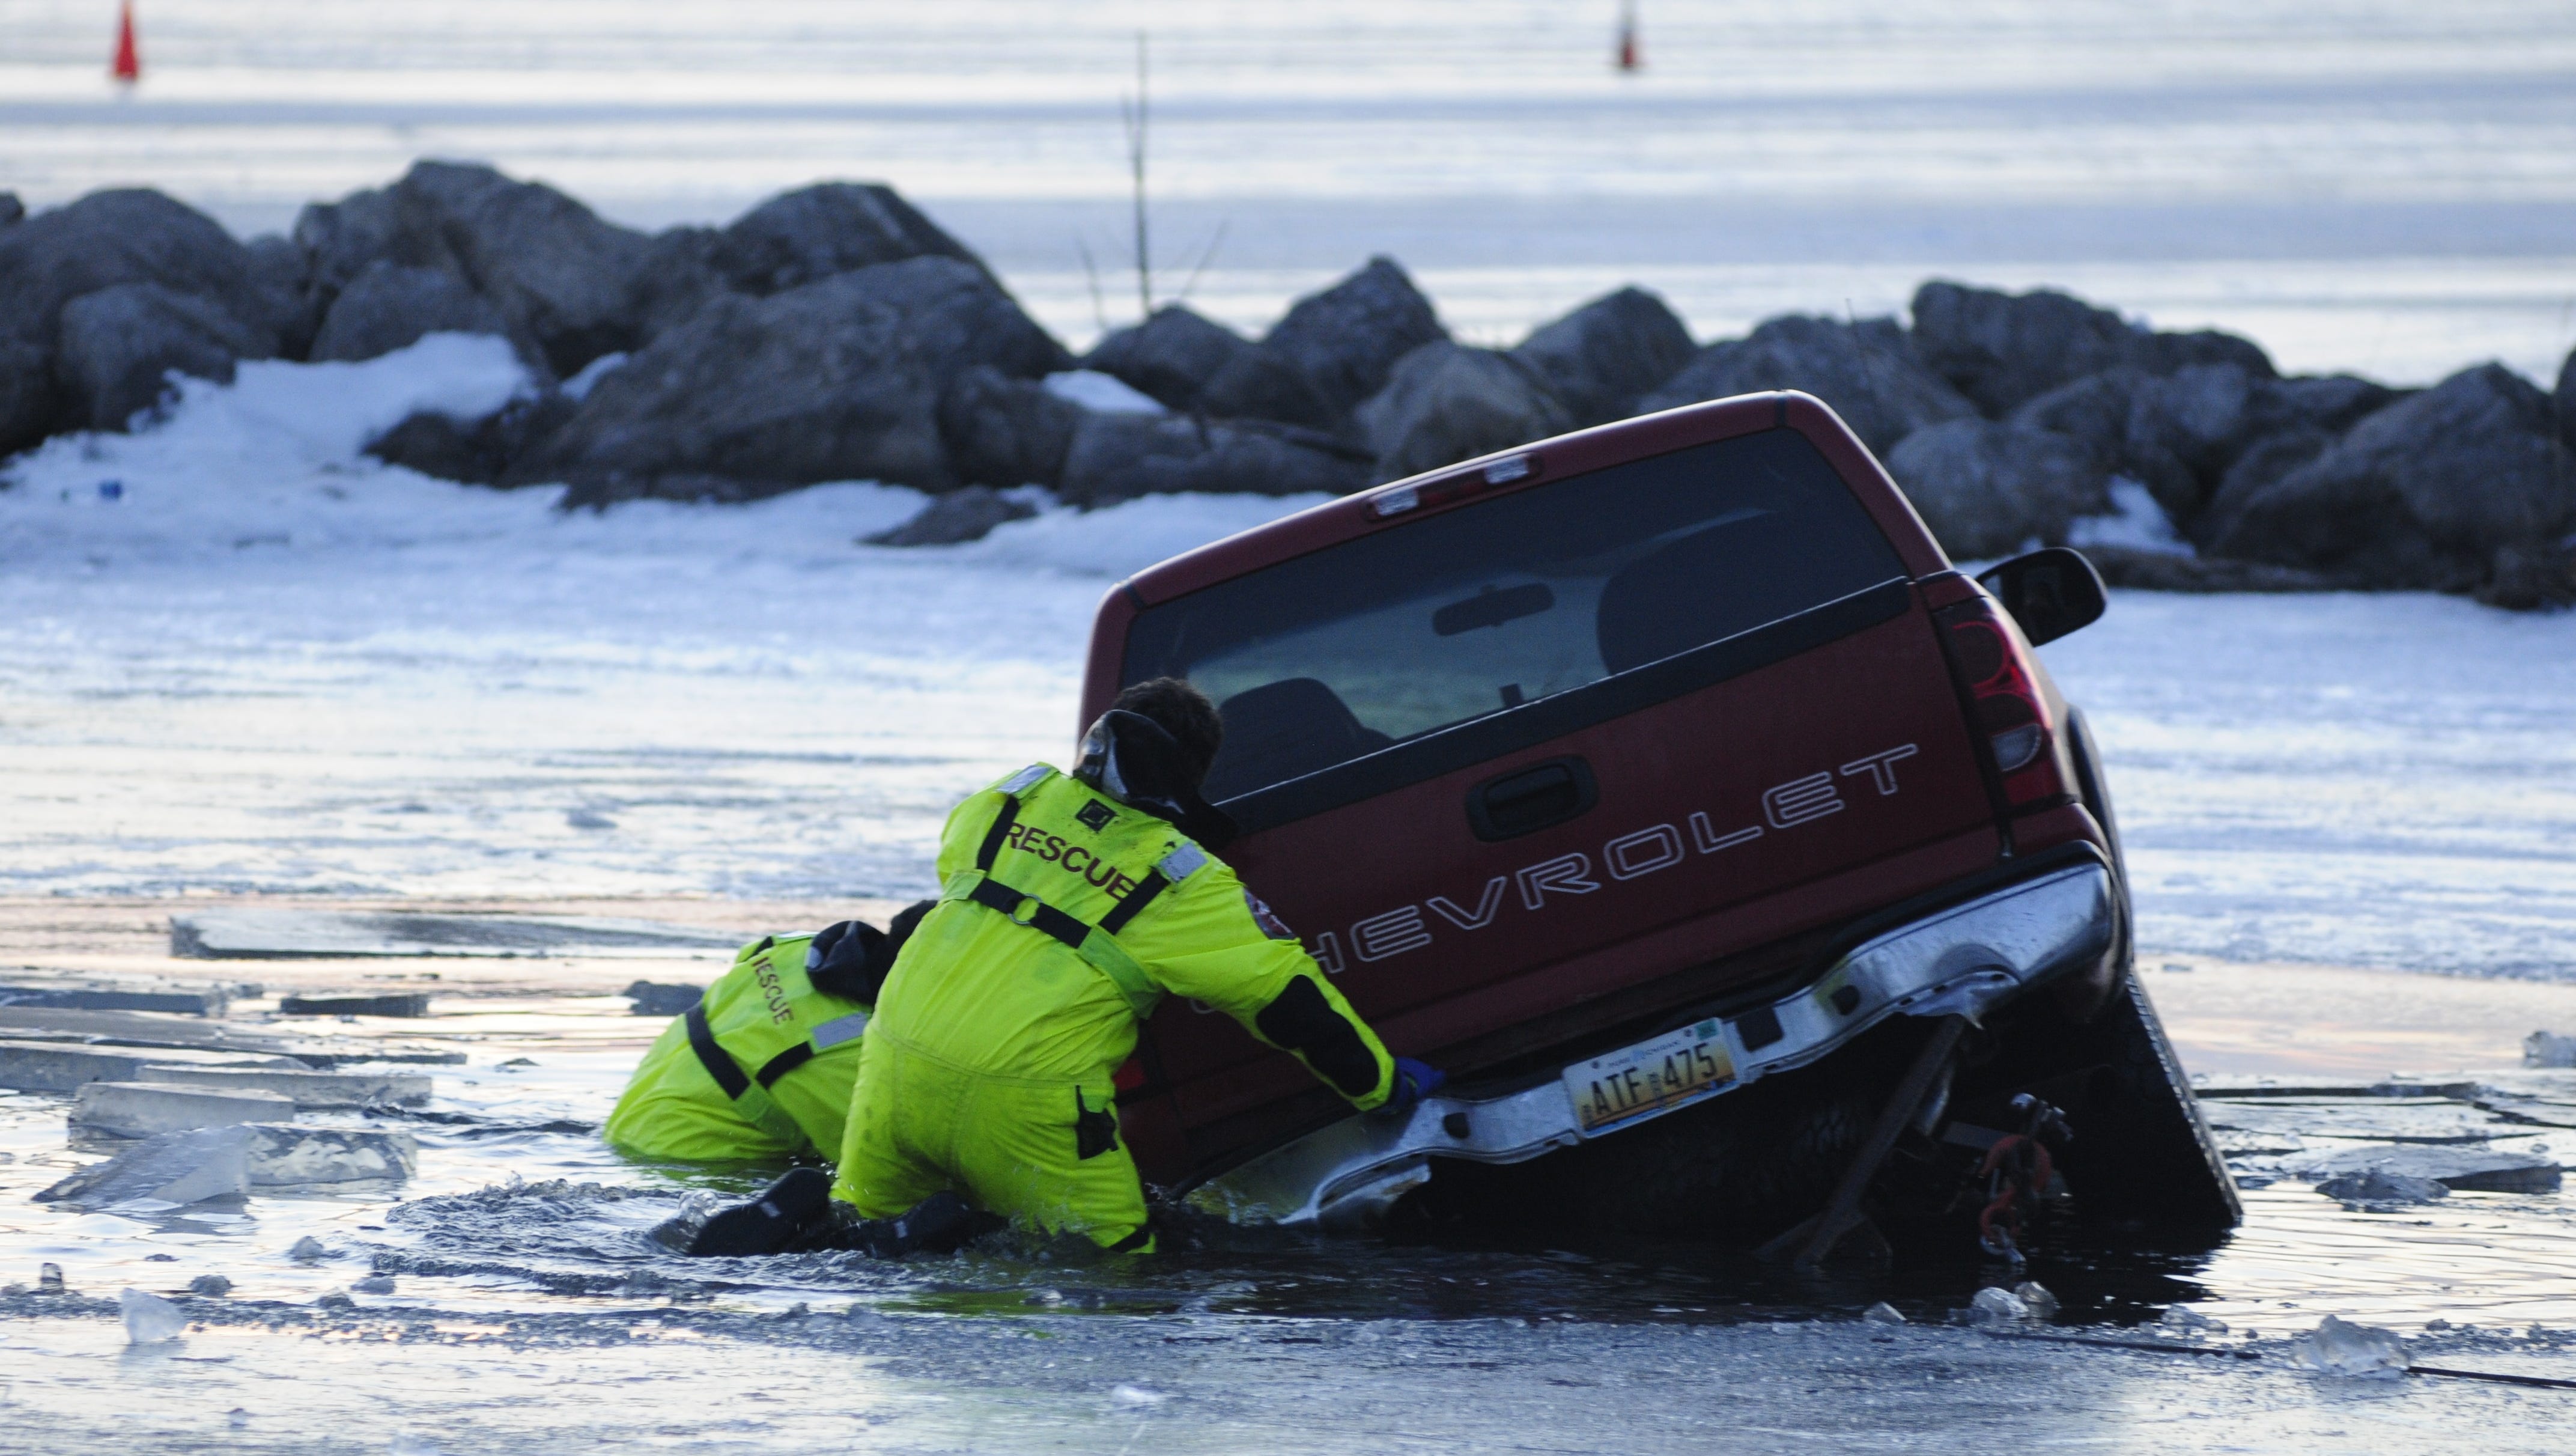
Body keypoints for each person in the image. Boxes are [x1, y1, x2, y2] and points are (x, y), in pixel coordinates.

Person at [685, 678, 1441, 1257]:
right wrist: (1376, 1081)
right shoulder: (1184, 881)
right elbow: (1288, 1002)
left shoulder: (1003, 805)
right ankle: (927, 1239)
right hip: (1028, 1101)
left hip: (891, 1065)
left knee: (859, 1225)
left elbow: (960, 864)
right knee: (1114, 1266)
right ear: (1198, 769)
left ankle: (834, 1232)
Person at [604, 907, 925, 1163]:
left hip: (639, 1108)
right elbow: (885, 1166)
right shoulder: (846, 1052)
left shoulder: (798, 948)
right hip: (684, 1160)